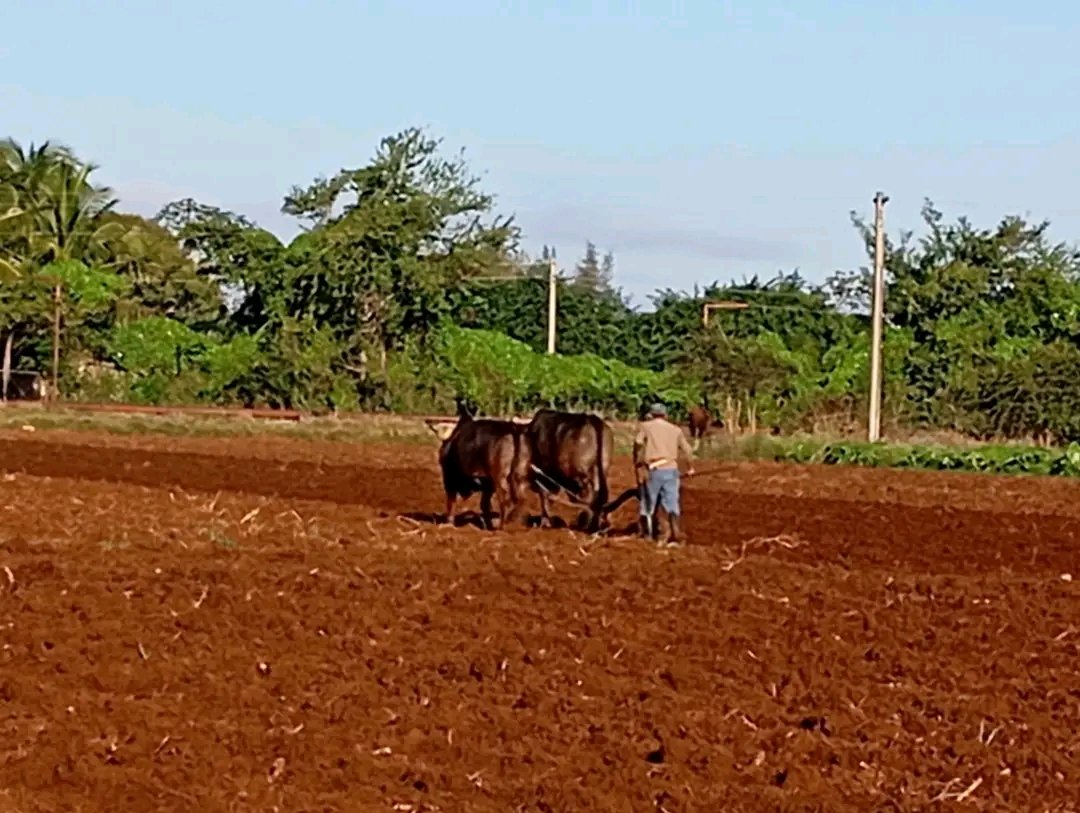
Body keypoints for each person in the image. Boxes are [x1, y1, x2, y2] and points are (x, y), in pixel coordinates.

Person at [633, 402, 695, 544]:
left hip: (654, 470)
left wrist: (638, 460)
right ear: (665, 415)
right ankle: (675, 532)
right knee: (672, 502)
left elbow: (638, 442)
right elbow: (688, 450)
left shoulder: (645, 426)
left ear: (651, 415)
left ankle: (648, 534)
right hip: (671, 470)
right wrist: (690, 468)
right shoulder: (675, 430)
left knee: (649, 503)